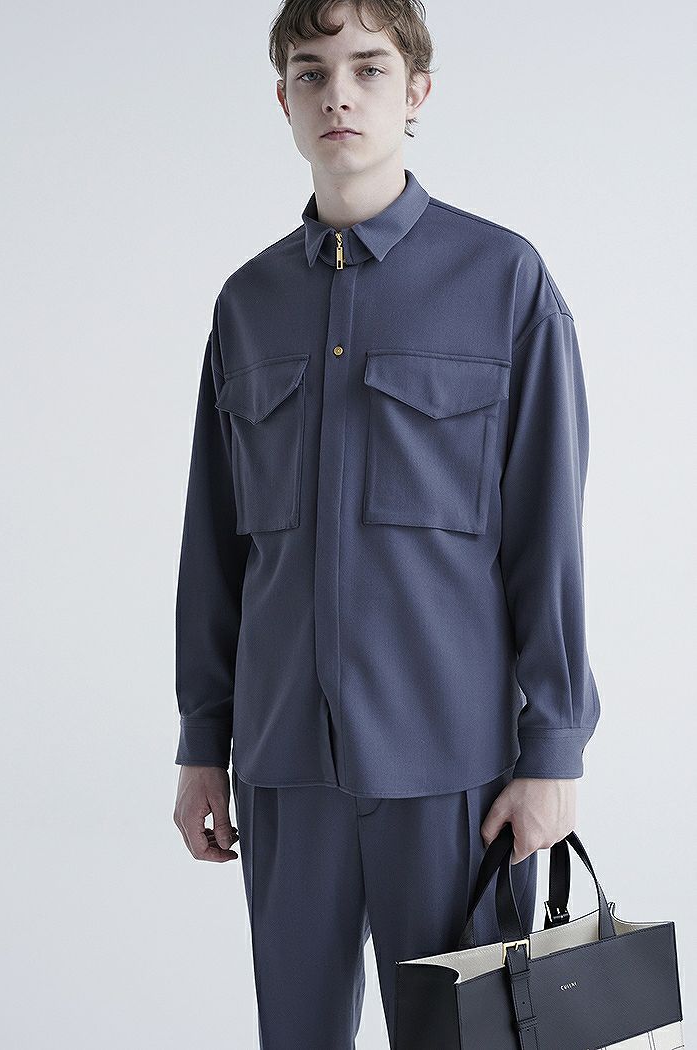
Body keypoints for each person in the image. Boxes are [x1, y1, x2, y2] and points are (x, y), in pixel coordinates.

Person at [172, 1, 602, 1047]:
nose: (338, 94)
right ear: (283, 99)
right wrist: (201, 742)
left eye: (368, 68)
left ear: (416, 91)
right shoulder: (246, 305)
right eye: (311, 72)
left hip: (453, 774)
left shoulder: (505, 282)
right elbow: (214, 546)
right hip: (282, 766)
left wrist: (553, 751)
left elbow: (548, 534)